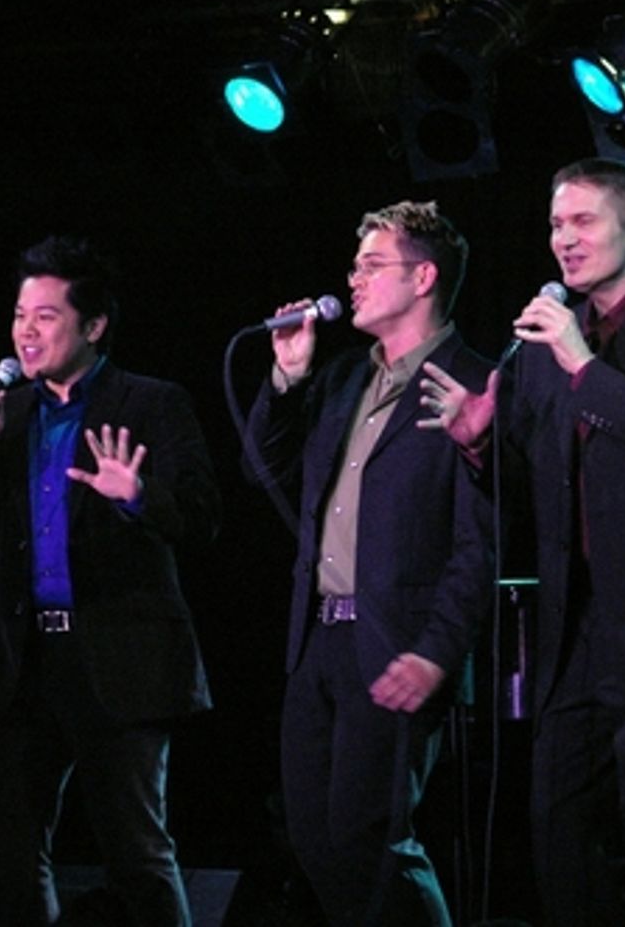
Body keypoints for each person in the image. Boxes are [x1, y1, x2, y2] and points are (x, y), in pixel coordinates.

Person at [419, 159, 625, 925]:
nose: (564, 239)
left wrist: (584, 364)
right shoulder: (542, 344)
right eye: (556, 224)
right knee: (559, 834)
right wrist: (480, 445)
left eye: (584, 221)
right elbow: (530, 500)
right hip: (573, 630)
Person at [0, 234, 219, 926]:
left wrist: (139, 496)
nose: (26, 333)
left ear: (93, 326)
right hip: (22, 661)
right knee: (12, 852)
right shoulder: (9, 413)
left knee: (137, 852)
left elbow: (203, 518)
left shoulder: (153, 402)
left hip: (119, 655)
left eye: (46, 317)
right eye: (19, 316)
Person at [243, 199, 493, 926]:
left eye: (371, 264)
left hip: (398, 643)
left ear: (423, 278)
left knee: (370, 837)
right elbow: (262, 470)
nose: (352, 278)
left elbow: (481, 540)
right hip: (318, 639)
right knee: (314, 837)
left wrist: (439, 651)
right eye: (355, 265)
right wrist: (287, 379)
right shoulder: (342, 378)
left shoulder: (472, 382)